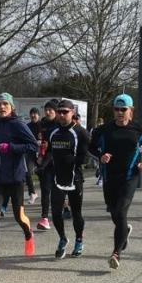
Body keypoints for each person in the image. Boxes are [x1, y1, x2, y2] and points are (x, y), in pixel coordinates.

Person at [89, 93, 142, 270]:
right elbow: (91, 146)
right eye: (116, 109)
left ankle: (116, 253)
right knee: (114, 213)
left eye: (123, 109)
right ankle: (124, 231)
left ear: (130, 110)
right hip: (109, 177)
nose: (119, 112)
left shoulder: (139, 129)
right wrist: (100, 156)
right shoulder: (104, 130)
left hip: (130, 177)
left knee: (120, 210)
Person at [0, 93, 38, 272]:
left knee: (18, 217)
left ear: (11, 107)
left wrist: (11, 147)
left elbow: (33, 145)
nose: (2, 107)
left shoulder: (18, 125)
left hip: (15, 178)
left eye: (5, 104)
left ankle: (28, 233)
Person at [47, 99, 89, 258]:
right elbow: (49, 152)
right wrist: (42, 165)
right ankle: (63, 238)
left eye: (65, 112)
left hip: (74, 178)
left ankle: (79, 240)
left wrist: (72, 160)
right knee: (56, 212)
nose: (62, 115)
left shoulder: (80, 132)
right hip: (57, 178)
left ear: (72, 113)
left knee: (76, 213)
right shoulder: (53, 131)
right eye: (59, 112)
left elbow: (85, 157)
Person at [33, 99, 58, 231]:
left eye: (50, 110)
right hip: (45, 162)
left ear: (56, 111)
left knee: (58, 191)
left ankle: (65, 208)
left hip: (58, 161)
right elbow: (41, 141)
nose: (48, 112)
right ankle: (44, 218)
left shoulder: (59, 124)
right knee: (45, 190)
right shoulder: (42, 123)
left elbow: (54, 148)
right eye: (46, 110)